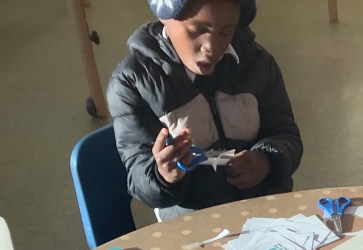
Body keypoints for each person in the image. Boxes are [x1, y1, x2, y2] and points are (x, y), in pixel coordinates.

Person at [106, 0, 302, 221]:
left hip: (267, 214)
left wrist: (266, 160)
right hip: (195, 224)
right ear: (165, 17)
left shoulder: (257, 63)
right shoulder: (133, 83)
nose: (211, 46)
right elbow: (140, 176)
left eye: (226, 32)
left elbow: (287, 135)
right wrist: (164, 175)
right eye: (196, 31)